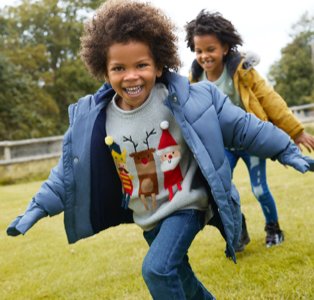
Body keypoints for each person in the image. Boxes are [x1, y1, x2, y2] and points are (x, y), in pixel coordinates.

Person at [6, 1, 314, 299]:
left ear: (158, 64)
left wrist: (286, 149)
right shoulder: (96, 120)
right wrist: (37, 207)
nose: (131, 76)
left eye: (141, 65)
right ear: (103, 69)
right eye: (119, 68)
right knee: (181, 277)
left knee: (156, 270)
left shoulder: (188, 99)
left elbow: (245, 127)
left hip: (185, 203)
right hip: (148, 212)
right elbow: (69, 173)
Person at [185, 10, 314, 251]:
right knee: (220, 190)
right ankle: (239, 231)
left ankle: (273, 229)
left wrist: (296, 131)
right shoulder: (194, 80)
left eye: (210, 49)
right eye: (199, 50)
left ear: (224, 47)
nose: (204, 56)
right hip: (223, 146)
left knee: (258, 188)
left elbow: (269, 99)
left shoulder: (242, 71)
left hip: (251, 141)